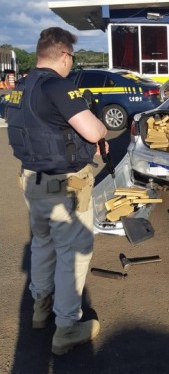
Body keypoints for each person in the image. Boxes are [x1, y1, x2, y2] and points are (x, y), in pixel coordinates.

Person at [7, 27, 108, 355]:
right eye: (71, 59)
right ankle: (66, 327)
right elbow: (93, 131)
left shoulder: (19, 87)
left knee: (42, 244)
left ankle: (41, 308)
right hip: (64, 187)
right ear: (64, 55)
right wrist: (101, 127)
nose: (70, 65)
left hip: (32, 182)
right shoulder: (58, 85)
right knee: (72, 254)